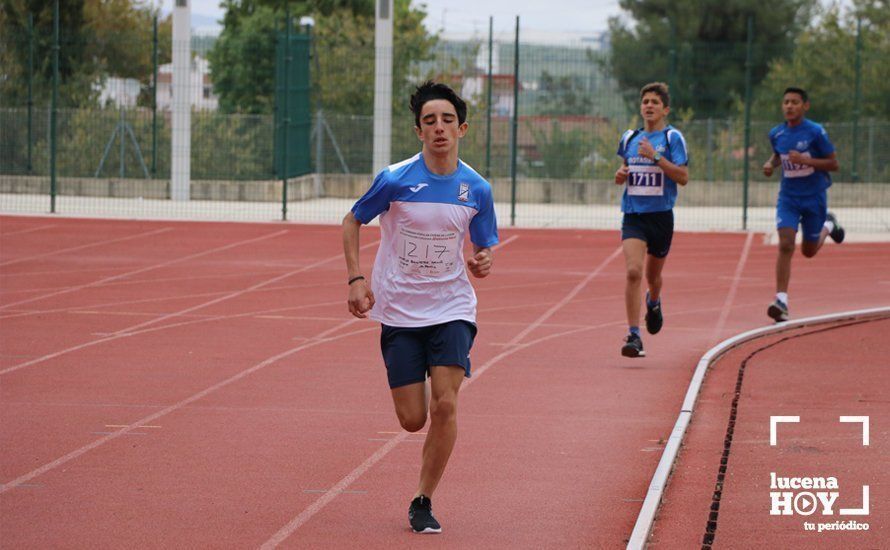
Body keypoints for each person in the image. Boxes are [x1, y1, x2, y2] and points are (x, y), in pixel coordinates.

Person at [342, 81, 498, 534]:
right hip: (400, 312)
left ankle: (423, 500)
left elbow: (484, 246)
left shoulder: (477, 188)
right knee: (413, 419)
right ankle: (422, 382)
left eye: (448, 120)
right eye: (430, 121)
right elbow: (352, 220)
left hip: (452, 308)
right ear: (418, 131)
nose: (439, 128)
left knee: (445, 407)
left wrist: (483, 260)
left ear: (462, 128)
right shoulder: (395, 180)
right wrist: (356, 278)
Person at [614, 82, 689, 358]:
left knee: (653, 277)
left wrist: (656, 157)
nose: (648, 105)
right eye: (645, 101)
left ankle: (653, 301)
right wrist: (620, 175)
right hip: (633, 215)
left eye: (654, 102)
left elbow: (683, 177)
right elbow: (622, 170)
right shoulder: (629, 138)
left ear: (665, 109)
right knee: (633, 271)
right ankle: (634, 335)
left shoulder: (672, 139)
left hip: (661, 217)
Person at [763, 87, 844, 322]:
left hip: (814, 197)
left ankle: (828, 224)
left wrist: (807, 161)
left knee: (808, 251)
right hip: (788, 198)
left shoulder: (816, 132)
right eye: (786, 102)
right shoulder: (776, 133)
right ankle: (781, 301)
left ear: (805, 106)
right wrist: (770, 164)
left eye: (794, 102)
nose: (789, 106)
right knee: (786, 244)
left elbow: (833, 164)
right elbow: (778, 155)